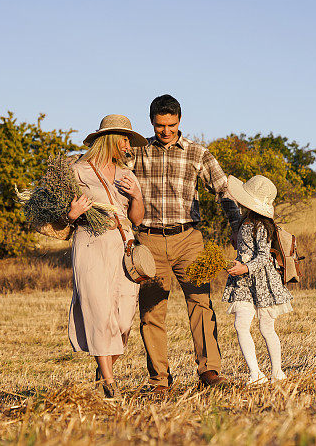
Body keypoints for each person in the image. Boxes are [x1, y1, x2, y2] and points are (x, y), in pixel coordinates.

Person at [132, 94, 242, 392]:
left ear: (180, 121)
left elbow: (223, 190)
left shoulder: (198, 154)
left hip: (188, 240)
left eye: (171, 124)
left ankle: (209, 371)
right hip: (148, 242)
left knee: (200, 303)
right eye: (159, 126)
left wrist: (236, 228)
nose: (166, 131)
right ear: (151, 122)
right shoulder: (136, 153)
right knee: (152, 312)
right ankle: (159, 380)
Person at [67, 114, 147, 398]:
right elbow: (54, 215)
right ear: (111, 140)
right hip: (90, 243)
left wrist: (137, 196)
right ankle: (111, 384)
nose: (128, 145)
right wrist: (73, 214)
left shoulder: (127, 174)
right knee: (100, 312)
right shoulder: (76, 171)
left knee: (124, 320)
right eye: (125, 139)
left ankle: (102, 374)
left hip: (123, 244)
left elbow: (136, 219)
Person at [223, 174, 293, 385]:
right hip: (244, 282)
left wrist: (245, 267)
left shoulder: (260, 226)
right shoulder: (245, 221)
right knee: (241, 325)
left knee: (266, 328)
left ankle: (277, 372)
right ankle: (255, 373)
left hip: (262, 281)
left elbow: (263, 257)